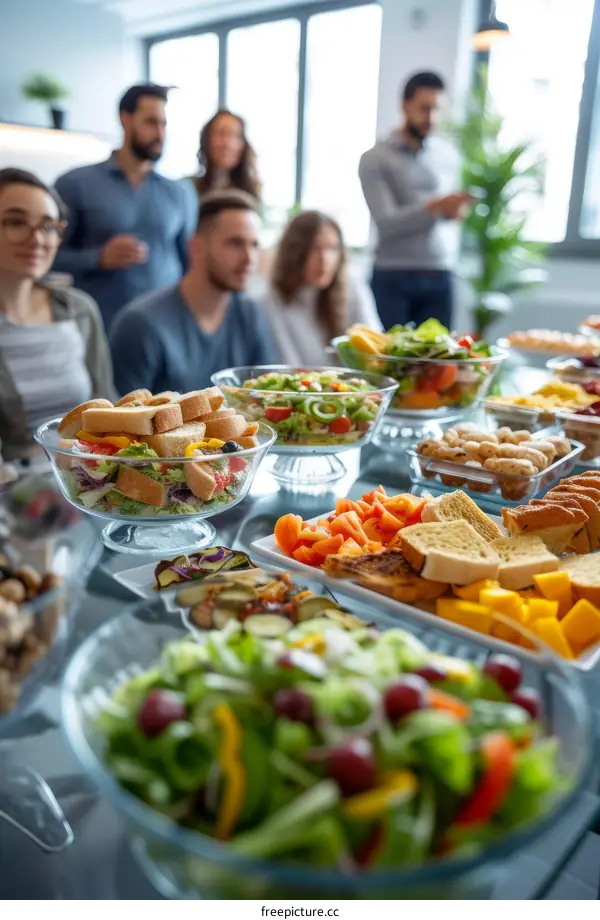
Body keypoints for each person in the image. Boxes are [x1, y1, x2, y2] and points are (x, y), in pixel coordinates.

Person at [54, 84, 194, 331]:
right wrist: (98, 258)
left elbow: (191, 266)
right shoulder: (75, 184)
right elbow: (48, 257)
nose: (160, 134)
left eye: (164, 124)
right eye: (151, 122)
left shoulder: (180, 193)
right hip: (99, 329)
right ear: (125, 120)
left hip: (166, 330)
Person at [109, 190, 277, 395]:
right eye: (235, 243)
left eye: (254, 245)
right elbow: (120, 419)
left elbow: (266, 398)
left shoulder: (250, 313)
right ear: (196, 248)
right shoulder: (141, 324)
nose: (249, 258)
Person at [0, 168, 114, 461]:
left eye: (49, 226)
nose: (37, 239)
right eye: (16, 222)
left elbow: (110, 411)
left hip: (86, 482)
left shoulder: (80, 310)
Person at [359, 71, 473, 330]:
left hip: (440, 273)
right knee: (390, 361)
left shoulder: (447, 155)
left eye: (436, 109)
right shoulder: (375, 158)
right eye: (424, 108)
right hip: (393, 276)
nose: (431, 118)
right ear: (404, 106)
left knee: (439, 362)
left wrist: (453, 211)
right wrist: (434, 208)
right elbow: (387, 223)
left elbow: (447, 216)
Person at [260, 211, 381, 366]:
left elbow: (374, 345)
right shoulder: (272, 300)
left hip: (354, 386)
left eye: (332, 248)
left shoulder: (353, 286)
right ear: (295, 252)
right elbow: (286, 364)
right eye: (314, 248)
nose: (324, 259)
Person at [192, 110, 261, 201]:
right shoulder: (189, 188)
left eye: (235, 136)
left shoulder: (253, 188)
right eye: (221, 134)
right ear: (206, 140)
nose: (228, 144)